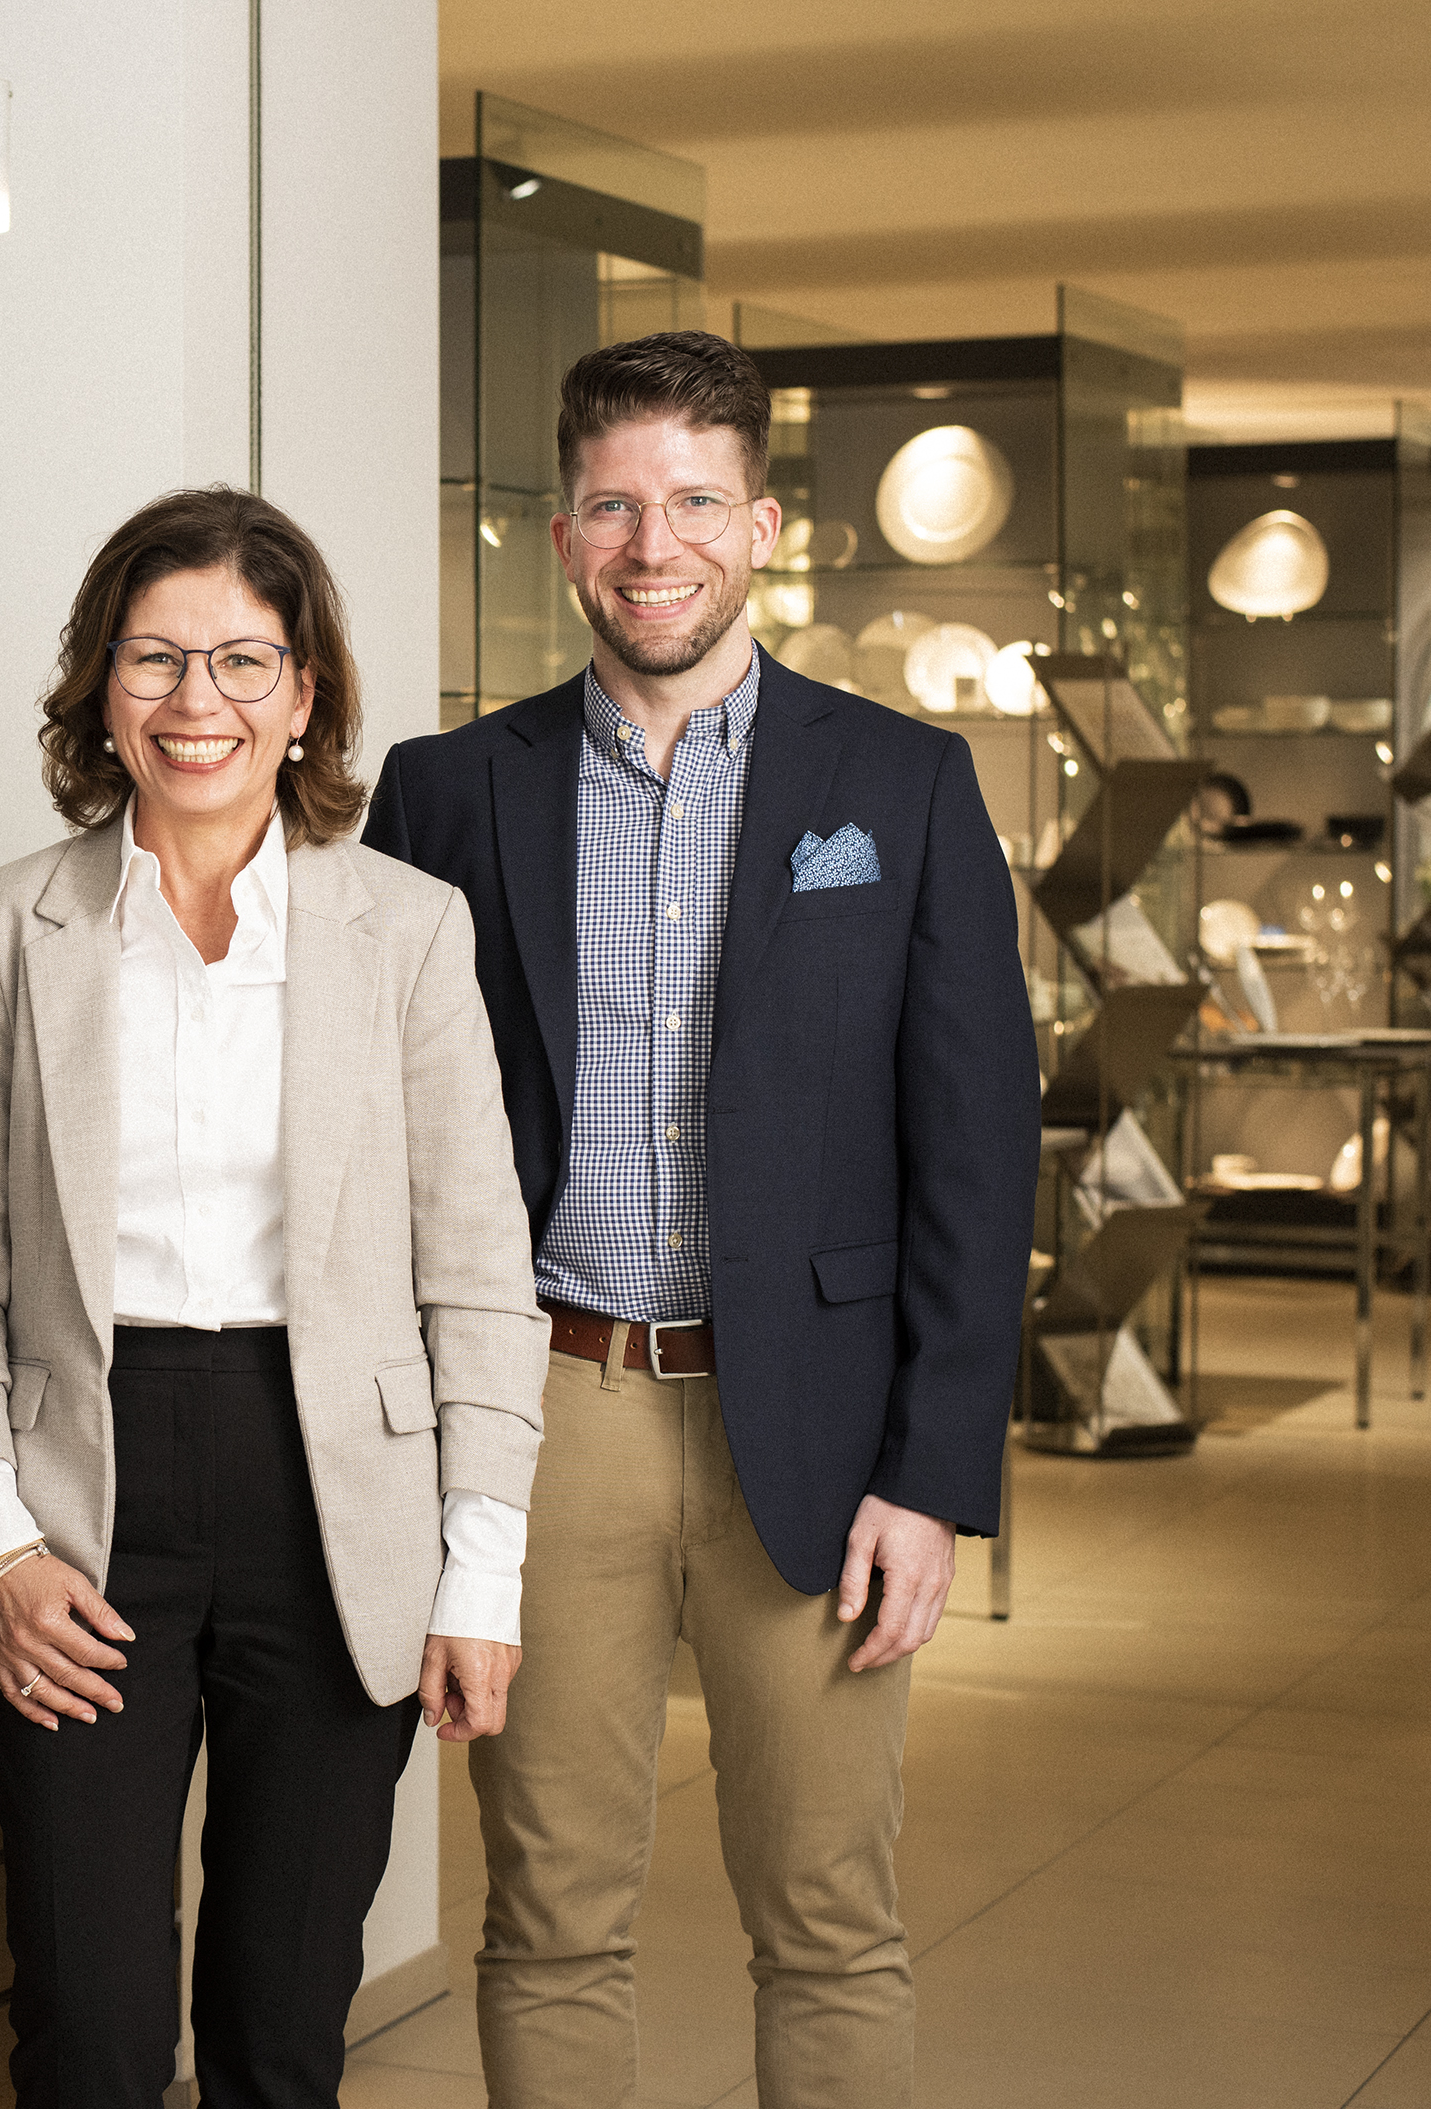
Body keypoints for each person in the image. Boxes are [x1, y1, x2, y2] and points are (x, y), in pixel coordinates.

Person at [363, 332, 1040, 2108]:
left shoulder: (900, 787)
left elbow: (975, 1152)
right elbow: (389, 1139)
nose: (648, 543)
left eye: (687, 502)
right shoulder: (447, 796)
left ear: (755, 522)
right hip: (544, 1413)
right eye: (610, 504)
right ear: (562, 528)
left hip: (811, 1429)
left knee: (827, 1913)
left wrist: (934, 1469)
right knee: (550, 1912)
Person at [0, 486, 552, 2108]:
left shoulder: (406, 928)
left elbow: (474, 1267)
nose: (200, 704)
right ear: (99, 686)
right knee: (92, 2029)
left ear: (305, 691)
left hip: (336, 1500)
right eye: (158, 659)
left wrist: (480, 1572)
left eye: (245, 661)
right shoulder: (6, 925)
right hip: (76, 1502)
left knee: (279, 2030)